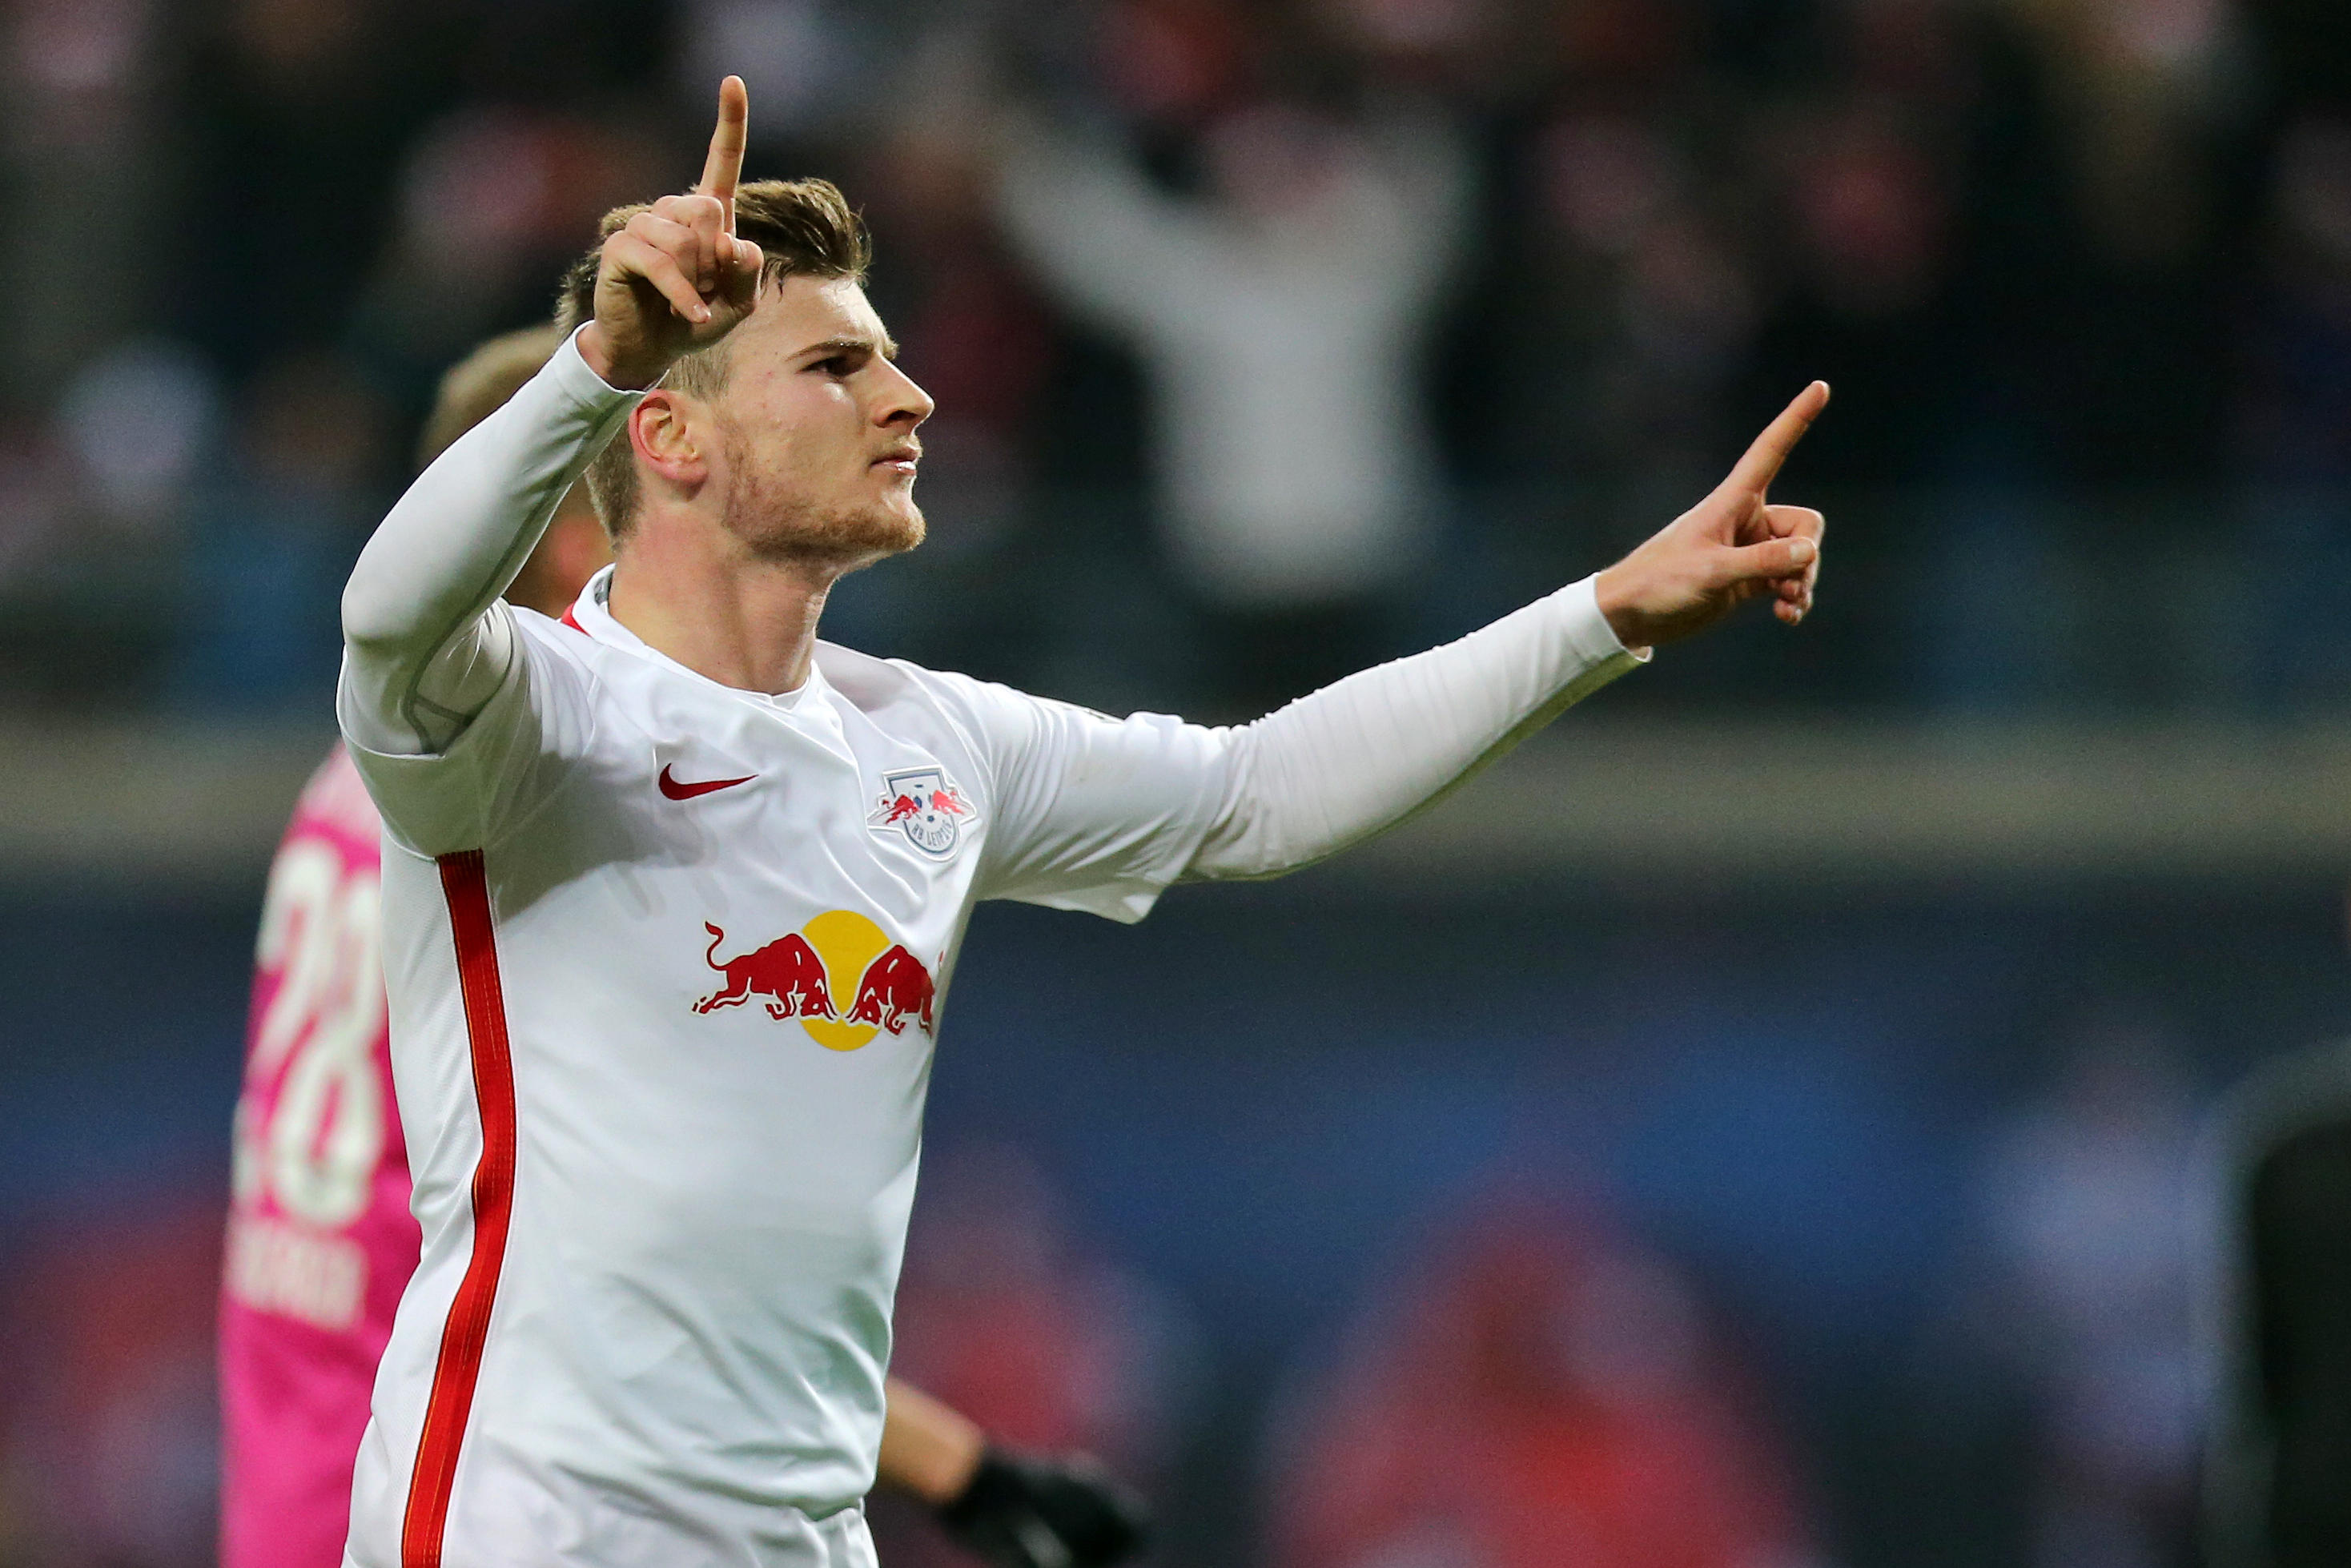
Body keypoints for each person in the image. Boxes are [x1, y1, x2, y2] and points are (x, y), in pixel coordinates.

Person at [333, 76, 1827, 1567]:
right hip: (521, 1528)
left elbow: (1256, 790)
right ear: (670, 435)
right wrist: (597, 356)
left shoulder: (930, 742)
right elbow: (388, 618)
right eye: (837, 367)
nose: (906, 397)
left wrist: (1604, 612)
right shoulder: (527, 715)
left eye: (894, 359)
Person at [223, 324, 1145, 1568]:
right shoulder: (535, 825)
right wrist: (959, 1467)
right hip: (457, 1485)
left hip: (301, 1470)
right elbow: (664, 1298)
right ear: (558, 529)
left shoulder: (364, 783)